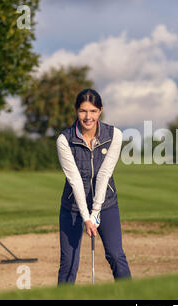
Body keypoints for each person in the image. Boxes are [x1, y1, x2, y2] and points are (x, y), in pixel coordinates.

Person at [56, 88, 132, 284]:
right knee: (69, 263)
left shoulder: (114, 135)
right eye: (82, 111)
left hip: (105, 203)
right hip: (73, 206)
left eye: (92, 111)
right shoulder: (64, 140)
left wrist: (96, 211)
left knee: (116, 255)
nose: (87, 116)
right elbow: (75, 180)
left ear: (100, 111)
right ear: (76, 111)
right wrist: (86, 217)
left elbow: (104, 174)